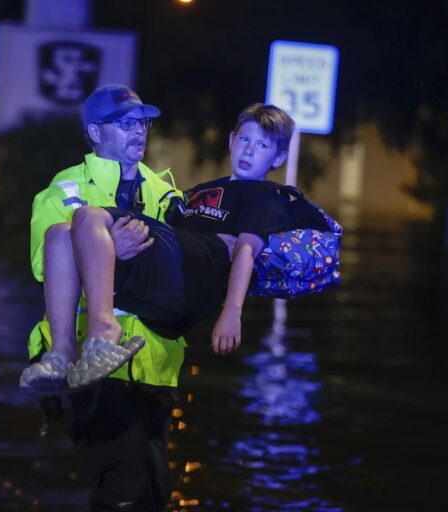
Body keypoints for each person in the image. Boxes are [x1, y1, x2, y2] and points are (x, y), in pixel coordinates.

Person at [22, 103, 330, 392]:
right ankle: (60, 355)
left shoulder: (266, 196)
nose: (249, 150)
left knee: (87, 216)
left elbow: (245, 252)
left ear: (278, 159)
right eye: (245, 140)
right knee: (61, 233)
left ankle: (103, 332)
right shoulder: (196, 193)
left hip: (189, 280)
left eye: (262, 146)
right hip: (165, 275)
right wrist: (114, 247)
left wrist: (232, 313)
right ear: (232, 140)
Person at [26, 84, 186, 512]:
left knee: (154, 486)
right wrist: (112, 249)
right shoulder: (65, 189)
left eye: (142, 122)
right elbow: (46, 263)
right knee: (125, 483)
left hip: (155, 365)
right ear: (95, 133)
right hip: (91, 363)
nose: (139, 131)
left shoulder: (166, 194)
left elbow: (181, 271)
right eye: (125, 124)